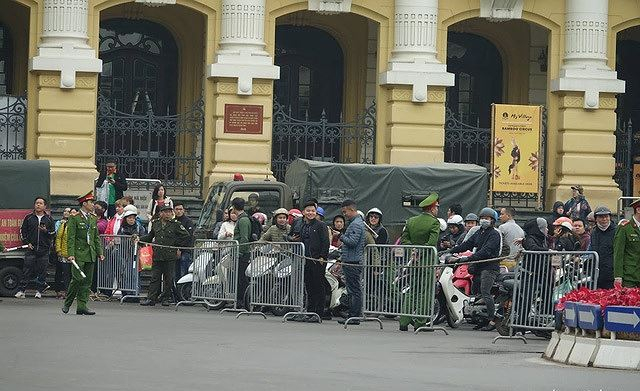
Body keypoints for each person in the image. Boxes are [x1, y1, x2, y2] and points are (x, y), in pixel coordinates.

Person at [449, 207, 502, 331]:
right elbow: (468, 244)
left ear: (492, 221)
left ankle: (492, 320)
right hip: (478, 267)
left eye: (487, 218)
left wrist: (469, 258)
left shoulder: (494, 234)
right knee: (476, 293)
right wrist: (452, 250)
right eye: (482, 218)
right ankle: (481, 319)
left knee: (485, 292)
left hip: (489, 267)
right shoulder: (479, 232)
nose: (484, 220)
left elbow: (486, 251)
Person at [398, 193, 441, 331]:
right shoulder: (435, 222)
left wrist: (414, 251)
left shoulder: (410, 221)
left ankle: (404, 321)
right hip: (427, 261)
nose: (437, 210)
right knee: (425, 292)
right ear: (432, 208)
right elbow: (432, 243)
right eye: (437, 207)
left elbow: (404, 240)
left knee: (411, 290)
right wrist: (421, 252)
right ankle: (420, 322)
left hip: (413, 261)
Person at [139, 204, 191, 306]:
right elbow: (150, 236)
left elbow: (186, 235)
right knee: (155, 278)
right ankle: (151, 298)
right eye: (165, 212)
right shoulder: (156, 223)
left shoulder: (175, 224)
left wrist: (175, 245)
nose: (168, 214)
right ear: (161, 213)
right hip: (158, 254)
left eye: (169, 212)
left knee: (168, 278)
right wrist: (140, 239)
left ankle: (166, 298)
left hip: (169, 255)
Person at [62, 192, 104, 315]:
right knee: (77, 279)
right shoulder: (74, 218)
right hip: (78, 253)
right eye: (91, 203)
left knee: (87, 282)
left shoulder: (92, 218)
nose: (93, 205)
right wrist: (70, 254)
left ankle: (82, 306)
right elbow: (71, 238)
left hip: (90, 253)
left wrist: (99, 252)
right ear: (84, 204)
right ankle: (67, 303)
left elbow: (95, 237)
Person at [290, 201, 329, 322]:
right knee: (309, 287)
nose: (310, 213)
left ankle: (318, 314)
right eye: (308, 210)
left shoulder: (321, 225)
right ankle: (310, 311)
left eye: (313, 211)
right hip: (305, 260)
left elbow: (325, 242)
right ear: (303, 212)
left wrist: (322, 256)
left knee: (319, 286)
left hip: (317, 260)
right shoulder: (303, 225)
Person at [14, 197, 56, 299]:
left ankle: (39, 291)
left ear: (45, 206)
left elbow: (53, 233)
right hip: (31, 249)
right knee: (27, 270)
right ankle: (21, 290)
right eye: (37, 203)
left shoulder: (49, 219)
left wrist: (46, 231)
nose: (38, 205)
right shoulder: (29, 217)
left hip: (44, 249)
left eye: (41, 203)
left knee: (42, 271)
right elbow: (22, 231)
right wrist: (27, 242)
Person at [337, 200, 367, 325]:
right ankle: (353, 314)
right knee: (353, 289)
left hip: (352, 260)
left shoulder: (355, 225)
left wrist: (341, 236)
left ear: (352, 210)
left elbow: (352, 242)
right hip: (352, 260)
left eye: (345, 212)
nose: (344, 215)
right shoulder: (357, 223)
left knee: (354, 290)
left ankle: (354, 315)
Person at [613, 199, 640, 288]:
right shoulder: (625, 227)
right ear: (638, 210)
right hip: (629, 277)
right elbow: (618, 253)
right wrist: (618, 276)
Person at [232, 198, 252, 309]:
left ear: (234, 207)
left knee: (241, 279)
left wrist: (240, 251)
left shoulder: (243, 220)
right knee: (239, 278)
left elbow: (244, 238)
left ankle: (242, 301)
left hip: (243, 254)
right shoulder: (241, 219)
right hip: (239, 253)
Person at [590, 206, 615, 289]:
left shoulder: (617, 231)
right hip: (597, 273)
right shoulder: (594, 232)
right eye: (601, 217)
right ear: (596, 219)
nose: (604, 219)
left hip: (612, 274)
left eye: (606, 216)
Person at [53, 207, 73, 299]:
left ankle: (72, 292)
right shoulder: (62, 224)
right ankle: (65, 291)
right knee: (65, 273)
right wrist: (58, 250)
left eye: (69, 212)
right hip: (64, 253)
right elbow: (58, 238)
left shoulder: (75, 224)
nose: (67, 213)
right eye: (65, 211)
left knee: (73, 274)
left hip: (74, 253)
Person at [174, 202, 195, 279]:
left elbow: (188, 237)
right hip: (174, 251)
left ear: (183, 210)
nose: (178, 211)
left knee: (184, 274)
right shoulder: (172, 221)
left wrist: (180, 248)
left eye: (180, 209)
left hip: (185, 251)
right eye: (177, 209)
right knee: (175, 274)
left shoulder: (188, 221)